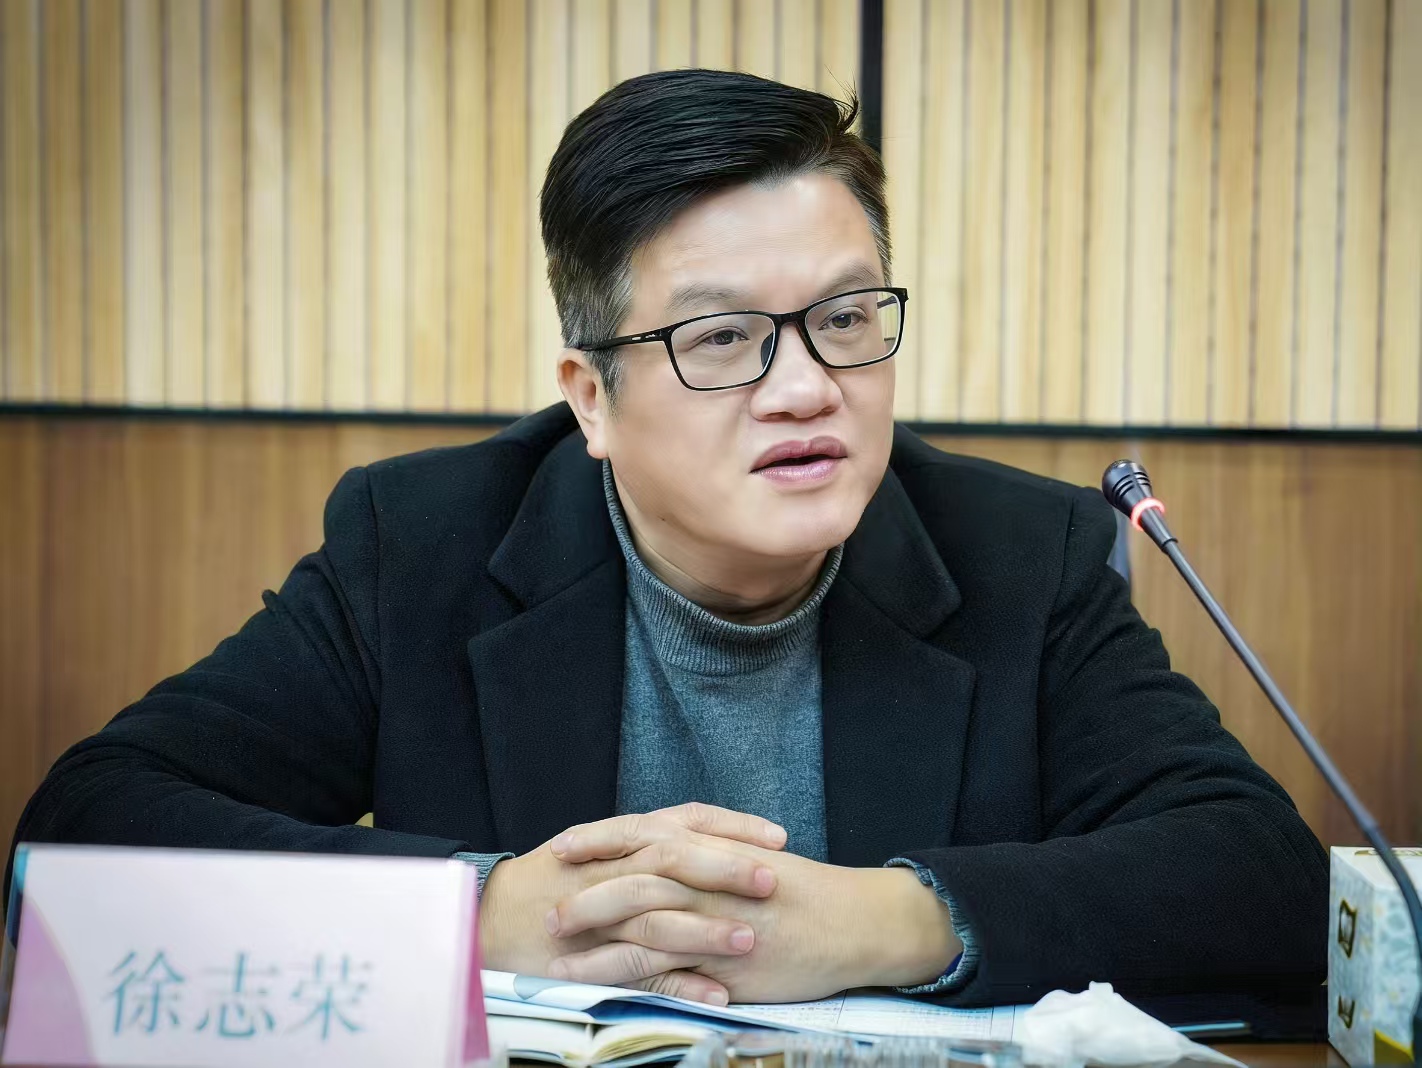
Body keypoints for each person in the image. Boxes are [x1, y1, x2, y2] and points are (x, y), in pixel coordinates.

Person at [7, 70, 1325, 1011]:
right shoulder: (423, 545)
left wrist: (888, 919)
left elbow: (1266, 881)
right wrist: (480, 911)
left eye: (846, 319)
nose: (805, 387)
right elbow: (85, 835)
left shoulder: (1020, 553)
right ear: (591, 398)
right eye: (721, 337)